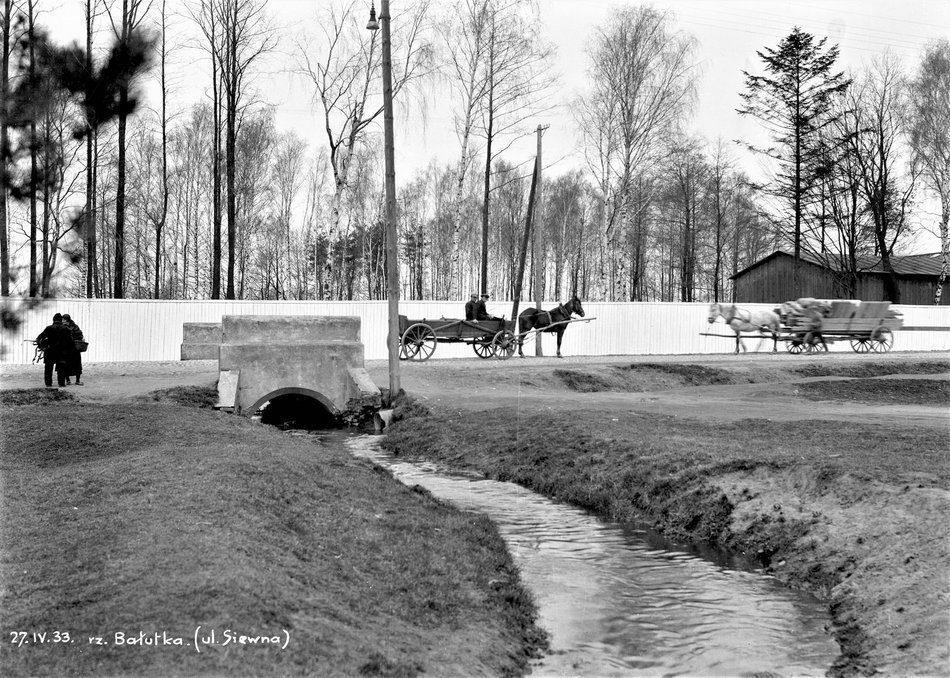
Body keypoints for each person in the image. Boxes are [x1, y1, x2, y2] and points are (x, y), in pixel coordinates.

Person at [35, 313, 73, 388]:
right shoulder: (66, 329)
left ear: (53, 320)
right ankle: (61, 383)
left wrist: (42, 346)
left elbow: (39, 338)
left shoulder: (49, 328)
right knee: (61, 368)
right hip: (62, 352)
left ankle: (48, 383)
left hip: (50, 351)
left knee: (48, 368)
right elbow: (70, 342)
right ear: (61, 320)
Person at [62, 314, 84, 385]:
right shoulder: (75, 327)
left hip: (73, 350)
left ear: (66, 320)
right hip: (70, 350)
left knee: (76, 365)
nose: (62, 321)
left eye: (63, 319)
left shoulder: (74, 327)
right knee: (67, 365)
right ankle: (68, 380)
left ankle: (77, 380)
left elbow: (80, 336)